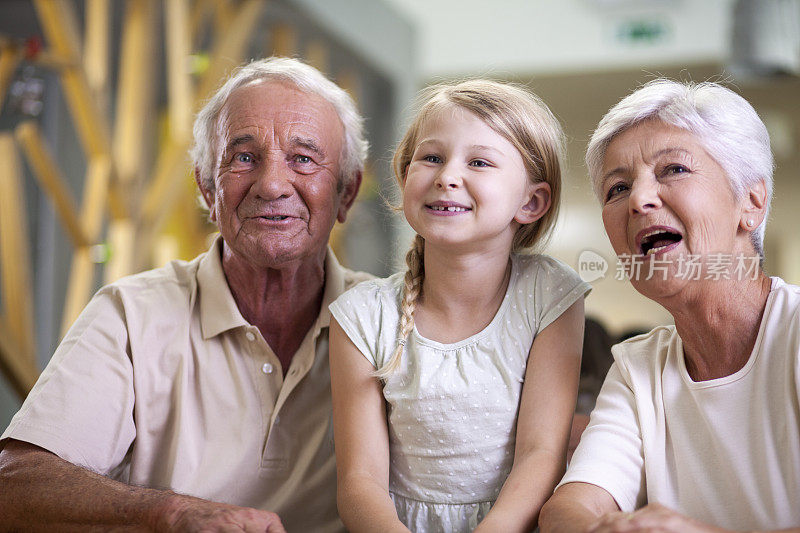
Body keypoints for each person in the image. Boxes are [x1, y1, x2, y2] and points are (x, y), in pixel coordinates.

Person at [0, 57, 370, 532]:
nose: (273, 184)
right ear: (207, 189)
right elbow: (14, 484)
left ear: (346, 193)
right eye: (243, 157)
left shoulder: (389, 320)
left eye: (303, 158)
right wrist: (170, 512)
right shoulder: (131, 313)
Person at [329, 79, 590, 533]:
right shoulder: (361, 316)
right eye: (431, 158)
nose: (447, 176)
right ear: (405, 177)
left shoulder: (550, 296)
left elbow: (540, 454)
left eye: (480, 162)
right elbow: (360, 480)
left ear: (531, 202)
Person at [540, 79, 800, 532]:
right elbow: (570, 509)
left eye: (674, 169)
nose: (639, 200)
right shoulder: (637, 366)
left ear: (751, 203)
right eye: (616, 189)